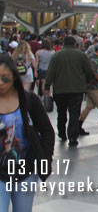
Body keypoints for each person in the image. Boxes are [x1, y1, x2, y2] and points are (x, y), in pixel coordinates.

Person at [0, 54, 55, 211]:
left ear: (14, 76)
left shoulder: (29, 100)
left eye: (5, 78)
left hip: (26, 172)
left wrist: (45, 157)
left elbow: (46, 131)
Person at [44, 36, 94, 147]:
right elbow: (89, 71)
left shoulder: (56, 55)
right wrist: (87, 81)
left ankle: (62, 133)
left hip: (59, 90)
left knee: (61, 113)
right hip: (77, 89)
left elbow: (50, 73)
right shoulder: (81, 55)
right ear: (75, 44)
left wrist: (47, 87)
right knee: (74, 113)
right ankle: (72, 137)